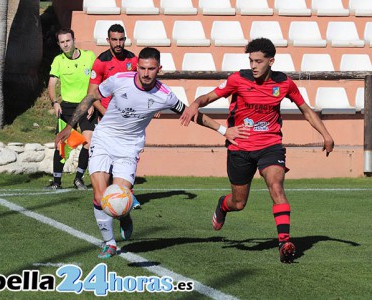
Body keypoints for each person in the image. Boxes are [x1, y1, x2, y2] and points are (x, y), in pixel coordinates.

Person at [56, 47, 249, 259]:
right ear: (137, 67)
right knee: (100, 195)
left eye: (151, 69)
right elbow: (90, 97)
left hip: (129, 147)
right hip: (104, 140)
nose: (146, 73)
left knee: (120, 196)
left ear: (159, 69)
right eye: (142, 68)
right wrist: (70, 126)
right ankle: (109, 243)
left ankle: (124, 214)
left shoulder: (164, 95)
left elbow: (192, 113)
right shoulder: (119, 79)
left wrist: (223, 130)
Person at [180, 38, 335, 263]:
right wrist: (195, 103)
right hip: (240, 146)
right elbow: (208, 97)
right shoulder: (238, 79)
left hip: (270, 145)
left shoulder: (284, 83)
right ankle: (223, 205)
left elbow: (306, 110)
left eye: (258, 61)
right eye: (251, 60)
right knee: (239, 203)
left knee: (276, 185)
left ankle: (284, 242)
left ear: (271, 61)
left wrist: (326, 135)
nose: (253, 65)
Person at [89, 23, 141, 209]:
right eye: (114, 40)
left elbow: (142, 85)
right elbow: (92, 94)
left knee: (131, 154)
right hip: (108, 120)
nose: (118, 43)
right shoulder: (101, 61)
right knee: (108, 159)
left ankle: (127, 194)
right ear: (108, 40)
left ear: (125, 40)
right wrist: (106, 114)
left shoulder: (133, 60)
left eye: (121, 39)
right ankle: (110, 198)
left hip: (130, 119)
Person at [45, 28, 97, 190]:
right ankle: (56, 182)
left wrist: (92, 103)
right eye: (62, 42)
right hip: (67, 107)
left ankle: (79, 179)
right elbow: (52, 85)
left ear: (74, 40)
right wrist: (55, 102)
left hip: (86, 105)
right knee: (61, 143)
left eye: (68, 41)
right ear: (59, 44)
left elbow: (96, 81)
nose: (66, 44)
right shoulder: (58, 61)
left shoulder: (89, 56)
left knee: (89, 142)